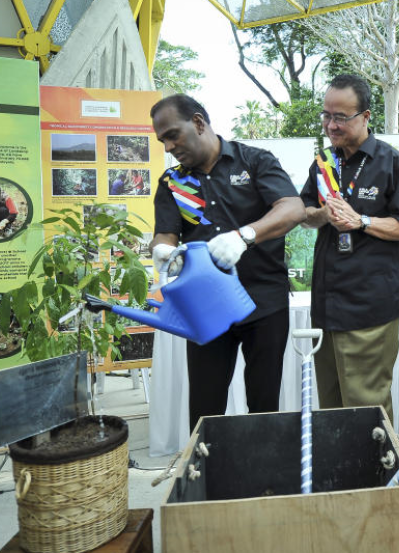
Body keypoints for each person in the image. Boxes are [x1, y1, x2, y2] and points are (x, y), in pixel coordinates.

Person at [150, 94, 306, 431]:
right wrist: (162, 250)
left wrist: (245, 235)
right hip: (207, 307)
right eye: (163, 140)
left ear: (198, 123)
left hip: (263, 302)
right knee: (205, 407)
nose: (169, 147)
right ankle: (208, 463)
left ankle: (265, 464)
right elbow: (166, 234)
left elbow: (293, 208)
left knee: (264, 404)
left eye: (173, 135)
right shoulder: (173, 183)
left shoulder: (254, 161)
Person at [300, 74, 399, 423]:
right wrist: (323, 214)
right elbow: (304, 214)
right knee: (331, 406)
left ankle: (378, 460)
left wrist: (362, 221)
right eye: (326, 115)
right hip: (326, 305)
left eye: (341, 117)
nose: (331, 125)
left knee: (366, 408)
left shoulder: (391, 162)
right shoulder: (323, 162)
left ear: (366, 116)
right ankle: (339, 460)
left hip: (369, 308)